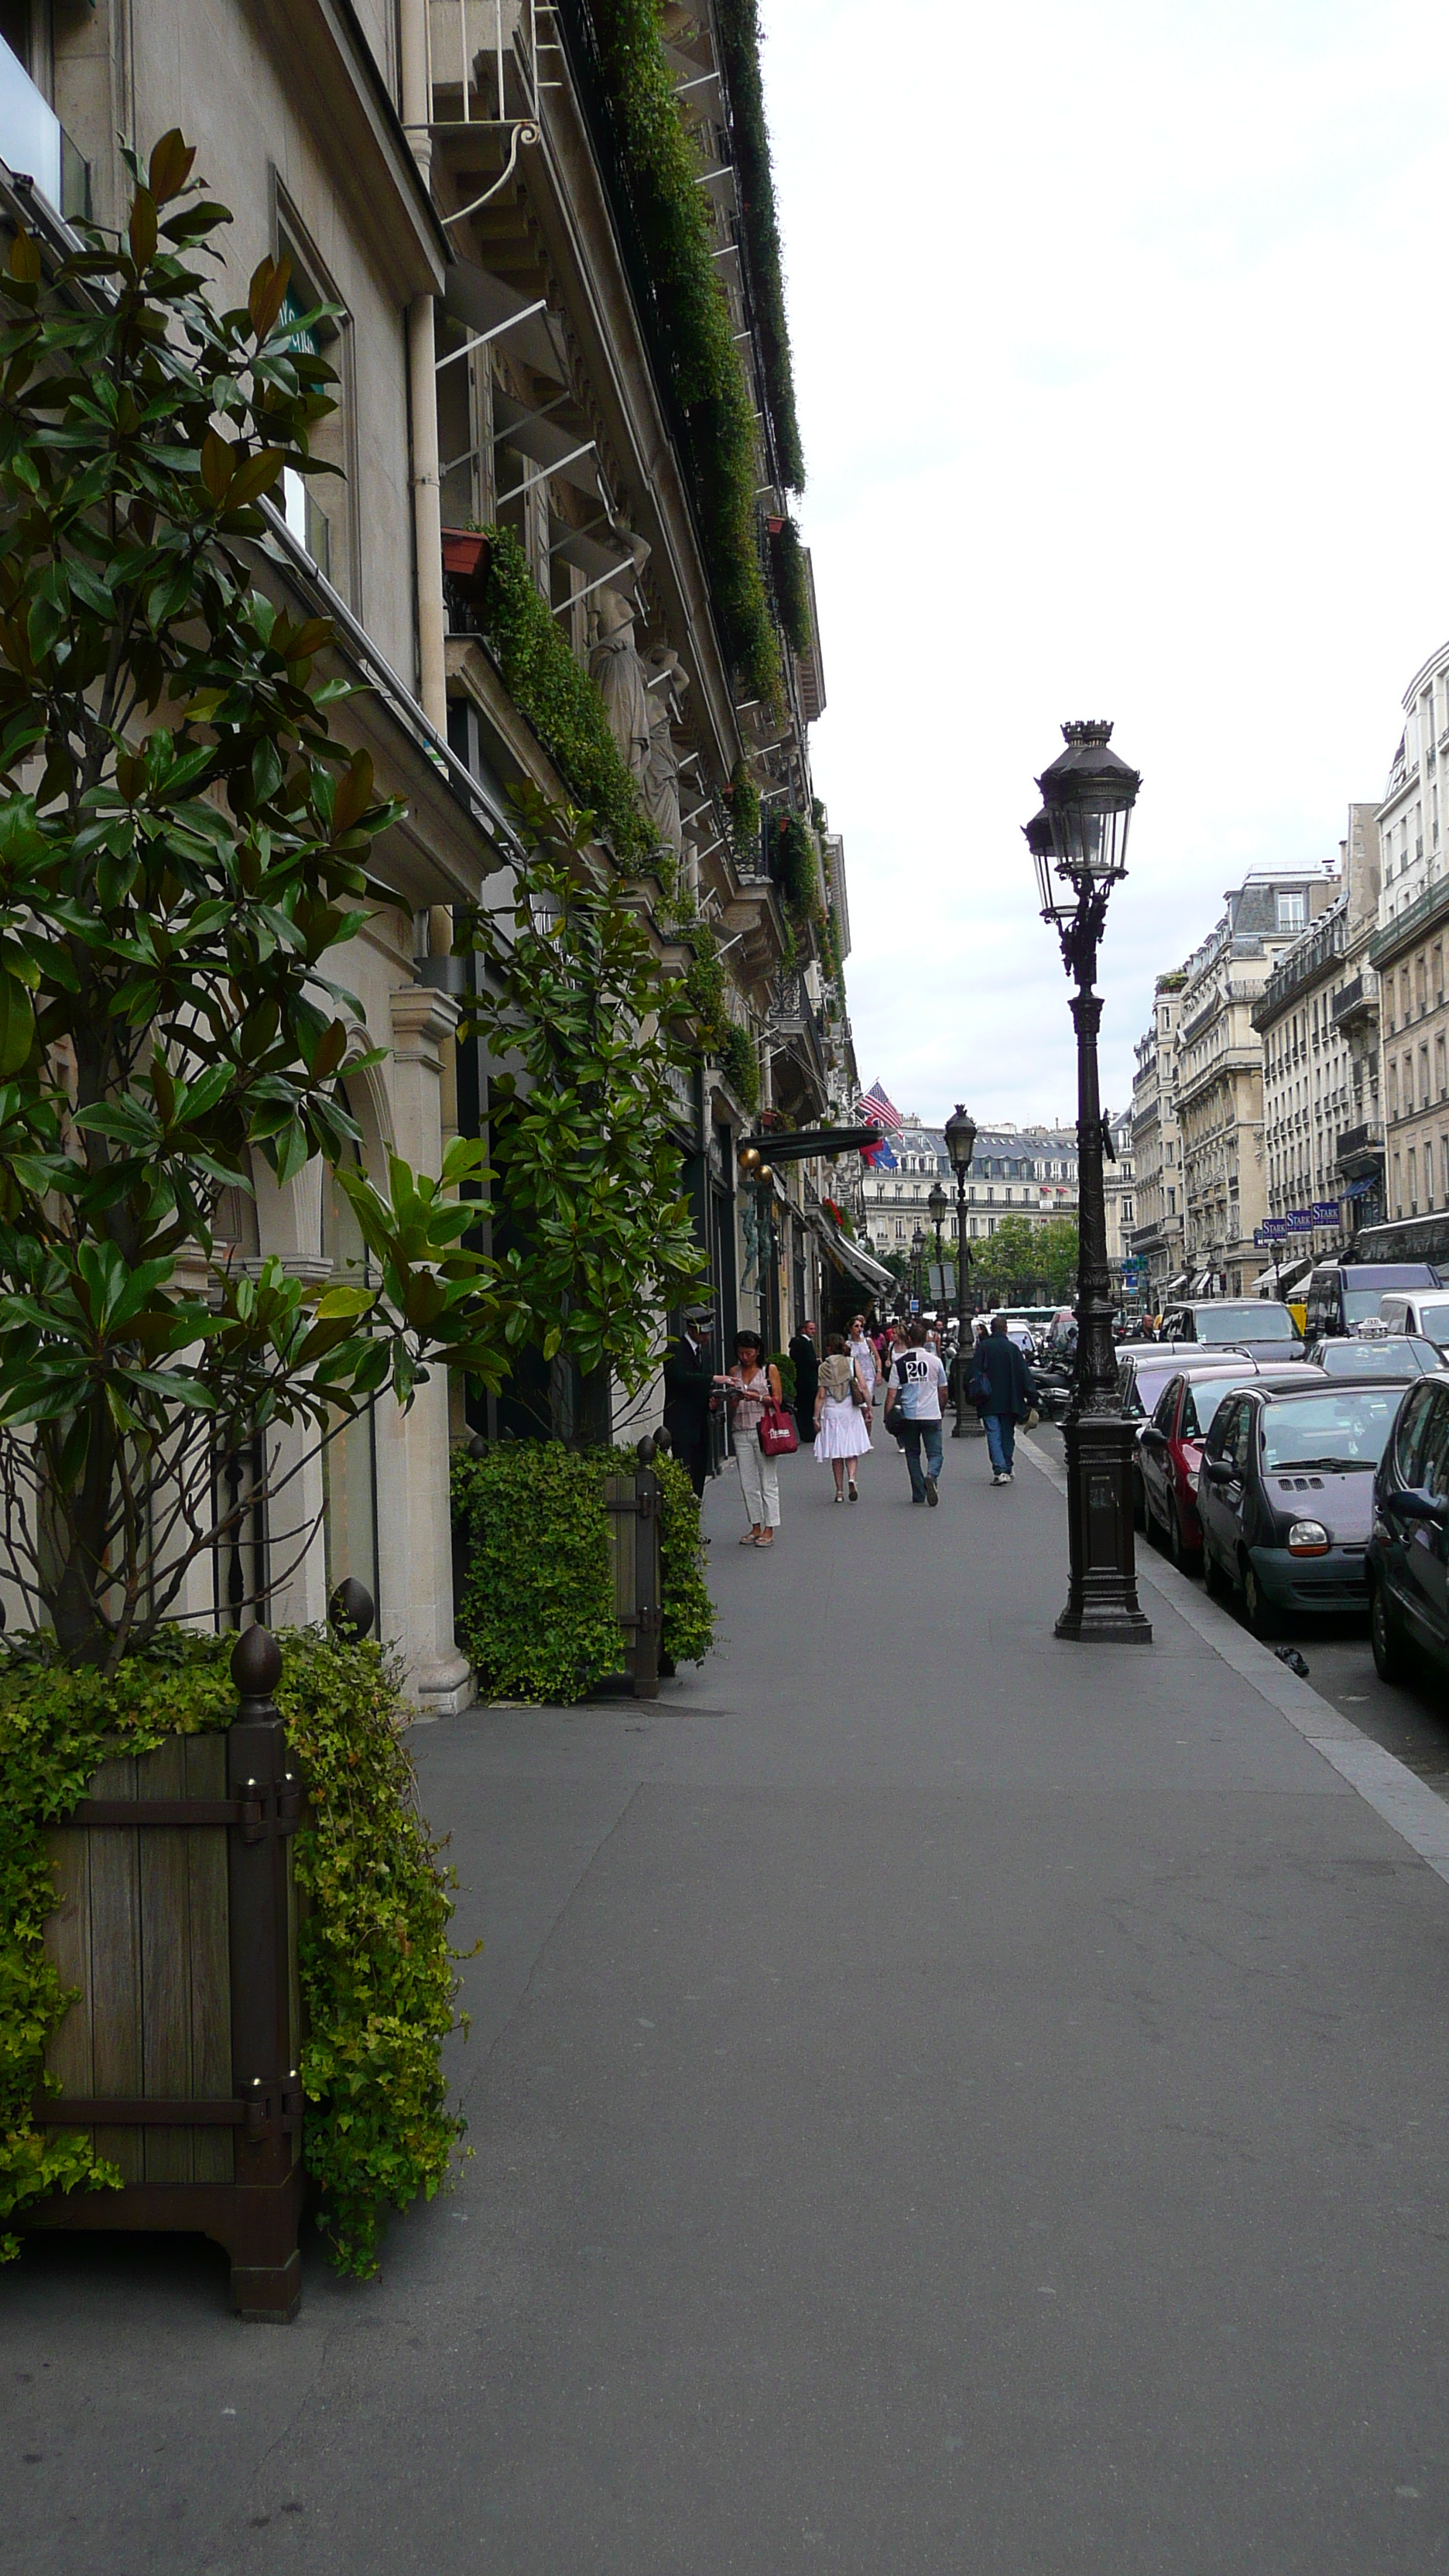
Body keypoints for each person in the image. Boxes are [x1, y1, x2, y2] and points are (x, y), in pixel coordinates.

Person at [718, 1330, 784, 1547]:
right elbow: (731, 1405)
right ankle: (755, 1525)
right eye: (741, 1353)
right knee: (747, 1482)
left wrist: (756, 1397)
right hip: (741, 1428)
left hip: (764, 1428)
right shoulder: (734, 1372)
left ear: (758, 1351)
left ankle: (770, 1527)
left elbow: (778, 1400)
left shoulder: (768, 1370)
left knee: (768, 1479)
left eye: (749, 1353)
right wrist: (732, 1400)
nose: (745, 1358)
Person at [884, 1318, 949, 1506]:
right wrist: (941, 1408)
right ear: (926, 1339)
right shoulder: (935, 1362)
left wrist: (888, 1416)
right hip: (931, 1413)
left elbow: (891, 1393)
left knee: (912, 1454)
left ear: (910, 1340)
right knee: (935, 1454)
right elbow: (943, 1390)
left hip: (909, 1414)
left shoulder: (901, 1363)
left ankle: (919, 1493)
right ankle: (932, 1475)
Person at [970, 1312, 1037, 1486]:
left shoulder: (984, 1348)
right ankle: (1007, 1466)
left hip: (988, 1398)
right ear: (1006, 1330)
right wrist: (1032, 1397)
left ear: (992, 1329)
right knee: (1008, 1434)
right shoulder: (1013, 1349)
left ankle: (1000, 1470)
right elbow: (1024, 1374)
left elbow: (972, 1373)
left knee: (993, 1433)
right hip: (1011, 1399)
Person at [662, 1305, 716, 1497]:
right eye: (703, 1333)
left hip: (700, 1423)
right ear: (691, 1330)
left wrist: (712, 1400)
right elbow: (680, 1378)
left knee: (699, 1471)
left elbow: (701, 1385)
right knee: (684, 1472)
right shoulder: (675, 1350)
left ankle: (696, 1509)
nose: (707, 1338)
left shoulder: (705, 1354)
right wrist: (712, 1379)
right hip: (681, 1424)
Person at [814, 1331, 872, 1501]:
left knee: (837, 1454)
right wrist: (868, 1408)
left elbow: (821, 1395)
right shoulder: (852, 1362)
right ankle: (852, 1479)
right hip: (849, 1410)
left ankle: (839, 1492)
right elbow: (863, 1387)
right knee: (851, 1449)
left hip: (832, 1410)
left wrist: (815, 1417)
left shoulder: (823, 1367)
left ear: (828, 1348)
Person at [788, 1317, 820, 1447]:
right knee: (808, 1408)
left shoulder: (797, 1343)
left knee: (803, 1408)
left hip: (800, 1381)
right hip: (808, 1381)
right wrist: (818, 1362)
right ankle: (808, 1434)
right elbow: (810, 1362)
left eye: (814, 1329)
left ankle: (805, 1432)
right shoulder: (805, 1344)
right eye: (811, 1329)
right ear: (804, 1330)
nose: (814, 1331)